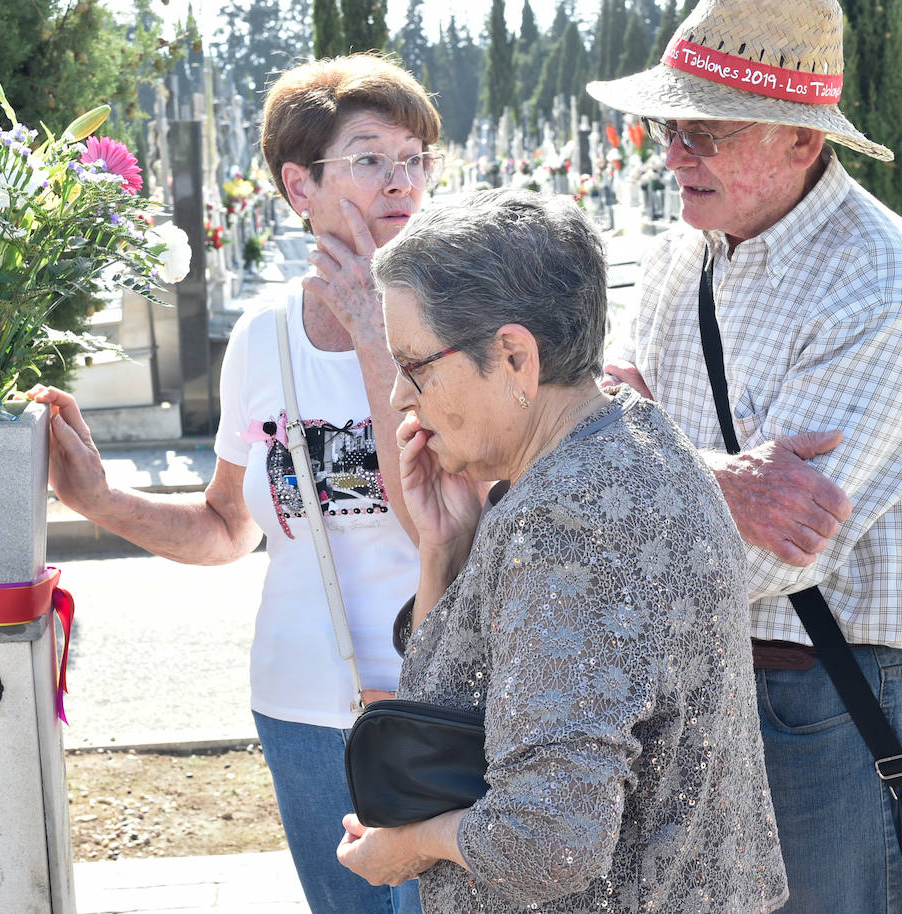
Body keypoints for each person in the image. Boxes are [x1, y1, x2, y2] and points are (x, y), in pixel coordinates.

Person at [586, 1, 902, 911]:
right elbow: (600, 429)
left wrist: (636, 454)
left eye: (706, 132)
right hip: (697, 677)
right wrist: (708, 477)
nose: (672, 154)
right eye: (668, 127)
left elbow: (776, 550)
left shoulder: (883, 283)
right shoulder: (676, 255)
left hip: (824, 699)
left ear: (804, 142)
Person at [31, 54, 443, 914]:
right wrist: (101, 501)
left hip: (441, 698)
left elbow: (439, 527)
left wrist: (376, 335)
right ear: (300, 185)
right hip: (299, 703)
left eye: (415, 157)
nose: (400, 181)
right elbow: (227, 526)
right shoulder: (262, 338)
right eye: (370, 158)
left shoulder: (468, 322)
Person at [336, 189, 788, 914]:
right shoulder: (629, 435)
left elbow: (550, 840)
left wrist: (410, 845)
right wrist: (445, 549)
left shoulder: (569, 523)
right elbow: (457, 712)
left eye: (414, 365)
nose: (397, 398)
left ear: (514, 357)